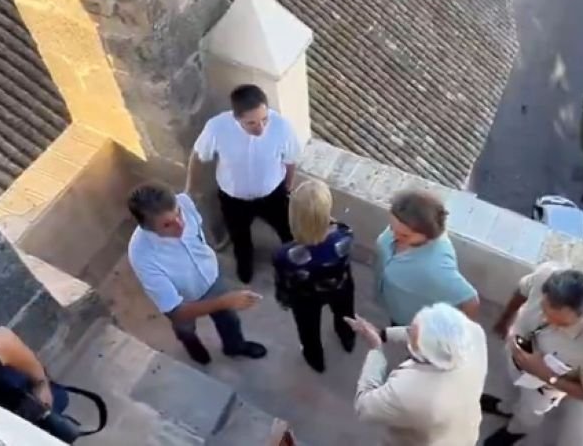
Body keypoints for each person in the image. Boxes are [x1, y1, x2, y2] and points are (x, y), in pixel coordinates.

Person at [127, 181, 267, 365]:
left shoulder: (184, 202)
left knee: (230, 320)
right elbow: (177, 312)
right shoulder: (141, 255)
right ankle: (193, 346)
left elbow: (200, 232)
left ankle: (235, 347)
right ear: (147, 228)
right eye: (168, 224)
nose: (180, 225)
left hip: (211, 278)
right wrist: (225, 301)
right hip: (182, 299)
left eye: (178, 214)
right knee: (185, 328)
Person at [482, 263, 583, 446]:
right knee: (510, 389)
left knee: (529, 413)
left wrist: (547, 376)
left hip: (542, 388)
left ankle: (514, 430)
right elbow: (522, 291)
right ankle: (505, 408)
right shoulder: (546, 275)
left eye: (560, 324)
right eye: (544, 311)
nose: (545, 321)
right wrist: (506, 319)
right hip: (515, 354)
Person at [188, 84, 299, 283]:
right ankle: (245, 266)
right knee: (240, 238)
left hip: (273, 195)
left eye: (264, 119)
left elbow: (290, 160)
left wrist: (288, 187)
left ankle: (293, 262)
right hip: (234, 200)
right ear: (237, 117)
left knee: (288, 231)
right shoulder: (216, 128)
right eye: (252, 123)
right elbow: (198, 155)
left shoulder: (282, 127)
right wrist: (190, 189)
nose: (261, 128)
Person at [347, 303, 487, 446]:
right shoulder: (474, 334)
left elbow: (364, 407)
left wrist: (376, 349)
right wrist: (383, 334)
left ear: (424, 353)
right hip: (465, 429)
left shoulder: (410, 392)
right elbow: (429, 332)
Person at [272, 179, 356, 373]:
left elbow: (283, 281)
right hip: (339, 286)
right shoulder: (344, 234)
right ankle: (347, 338)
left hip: (305, 297)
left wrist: (284, 299)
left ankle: (315, 359)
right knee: (345, 316)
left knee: (308, 331)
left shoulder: (286, 254)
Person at [375, 190, 479, 326]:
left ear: (428, 234)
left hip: (412, 321)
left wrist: (459, 332)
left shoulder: (437, 268)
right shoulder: (400, 230)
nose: (393, 236)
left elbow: (471, 301)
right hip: (395, 303)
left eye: (405, 235)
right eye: (392, 228)